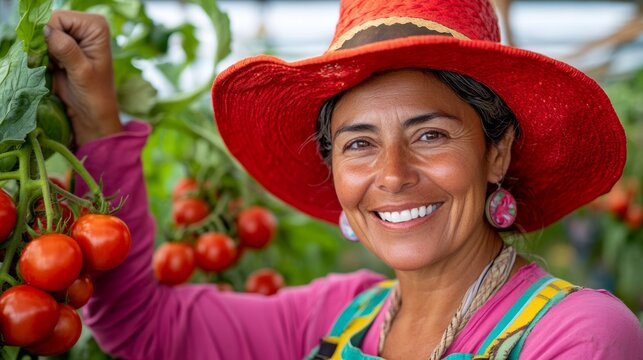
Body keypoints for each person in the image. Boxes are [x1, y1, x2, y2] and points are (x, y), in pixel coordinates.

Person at [45, 0, 642, 359]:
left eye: (430, 135)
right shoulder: (337, 317)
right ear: (333, 171)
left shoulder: (575, 335)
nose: (392, 174)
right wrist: (99, 124)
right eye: (359, 144)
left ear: (496, 153)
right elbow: (147, 329)